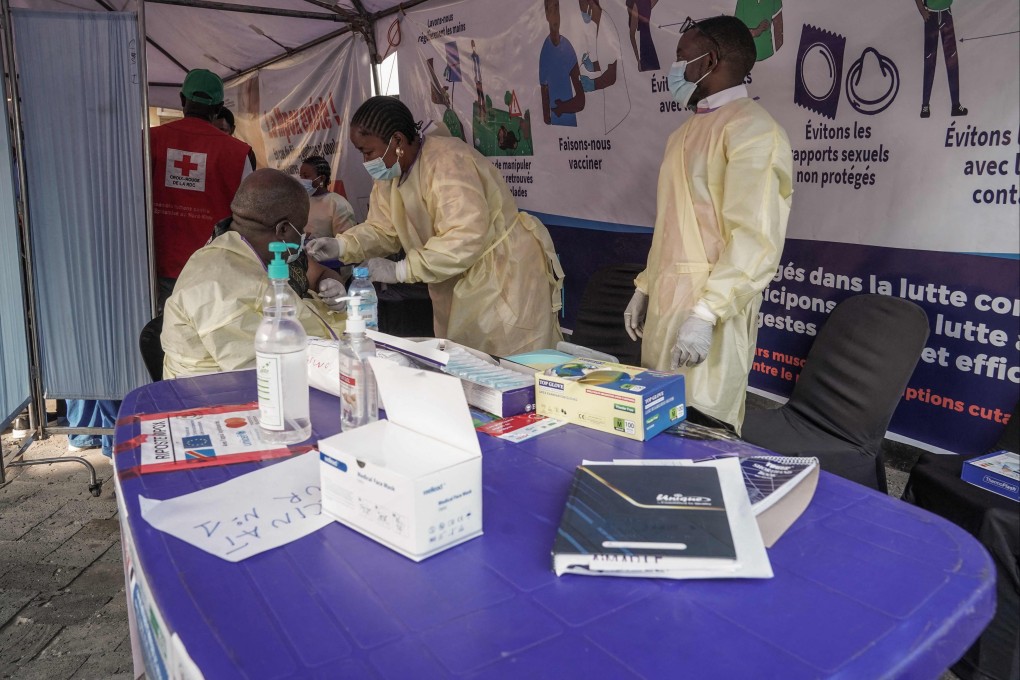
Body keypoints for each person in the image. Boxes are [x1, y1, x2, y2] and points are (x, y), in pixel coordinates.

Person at [624, 16, 793, 433]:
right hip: (668, 301)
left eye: (682, 57)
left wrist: (707, 312)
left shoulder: (754, 133)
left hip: (712, 312)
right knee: (655, 426)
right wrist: (646, 286)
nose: (675, 68)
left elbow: (755, 238)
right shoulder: (684, 133)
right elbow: (672, 226)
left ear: (710, 59)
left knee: (701, 433)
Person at [305, 96, 564, 357]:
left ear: (396, 141)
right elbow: (383, 229)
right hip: (455, 280)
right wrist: (341, 244)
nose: (366, 161)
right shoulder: (391, 175)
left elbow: (464, 237)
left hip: (502, 274)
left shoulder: (448, 161)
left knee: (513, 364)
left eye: (368, 152)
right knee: (466, 365)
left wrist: (401, 269)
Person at [161, 169, 346, 379]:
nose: (303, 238)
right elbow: (263, 371)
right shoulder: (219, 286)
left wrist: (332, 287)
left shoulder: (240, 251)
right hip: (220, 396)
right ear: (283, 229)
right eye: (301, 230)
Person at [150, 69, 255, 311]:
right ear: (218, 108)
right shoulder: (239, 153)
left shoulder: (148, 140)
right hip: (214, 270)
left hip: (156, 266)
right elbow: (250, 214)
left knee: (160, 338)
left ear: (182, 100)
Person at [914, 0, 968, 118]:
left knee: (952, 59)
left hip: (946, 13)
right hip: (931, 15)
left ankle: (955, 105)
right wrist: (923, 11)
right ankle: (925, 105)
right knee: (929, 60)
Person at [539, 0, 585, 126]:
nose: (555, 15)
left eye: (557, 8)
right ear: (546, 15)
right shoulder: (545, 51)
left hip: (572, 131)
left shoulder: (567, 48)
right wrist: (551, 114)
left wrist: (562, 108)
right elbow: (546, 116)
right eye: (551, 10)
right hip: (555, 134)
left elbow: (581, 101)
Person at [297, 155, 356, 239]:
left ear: (321, 179)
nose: (302, 180)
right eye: (301, 176)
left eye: (306, 176)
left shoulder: (338, 204)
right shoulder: (302, 201)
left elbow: (346, 242)